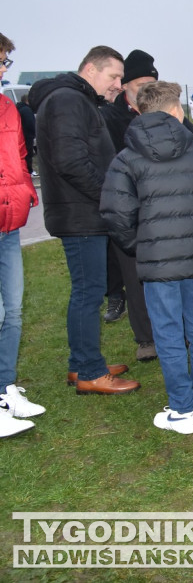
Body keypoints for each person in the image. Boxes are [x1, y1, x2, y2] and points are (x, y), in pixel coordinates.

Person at [100, 81, 193, 434]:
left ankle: (184, 408)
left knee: (170, 334)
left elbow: (115, 214)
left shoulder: (125, 158)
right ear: (176, 111)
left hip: (159, 262)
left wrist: (141, 244)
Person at [27, 46, 138, 395]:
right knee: (89, 294)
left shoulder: (74, 99)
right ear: (90, 69)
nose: (119, 84)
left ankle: (82, 364)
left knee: (87, 292)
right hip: (80, 214)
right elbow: (70, 161)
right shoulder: (68, 100)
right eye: (114, 76)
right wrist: (110, 196)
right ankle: (90, 371)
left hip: (81, 211)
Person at [98, 50, 159, 358]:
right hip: (129, 207)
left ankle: (175, 330)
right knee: (134, 275)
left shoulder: (165, 112)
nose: (146, 87)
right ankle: (146, 338)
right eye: (139, 82)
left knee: (166, 273)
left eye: (151, 81)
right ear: (125, 85)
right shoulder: (109, 117)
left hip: (162, 205)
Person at [0, 32, 45, 437]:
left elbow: (18, 157)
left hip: (8, 222)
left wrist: (25, 192)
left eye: (4, 63)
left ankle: (5, 389)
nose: (2, 69)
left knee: (12, 311)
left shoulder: (8, 108)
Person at [15, 94, 35, 176]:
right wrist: (34, 132)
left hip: (20, 135)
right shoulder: (27, 110)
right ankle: (29, 171)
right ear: (27, 101)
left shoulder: (18, 108)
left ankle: (23, 170)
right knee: (28, 154)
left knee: (21, 154)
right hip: (27, 135)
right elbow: (31, 123)